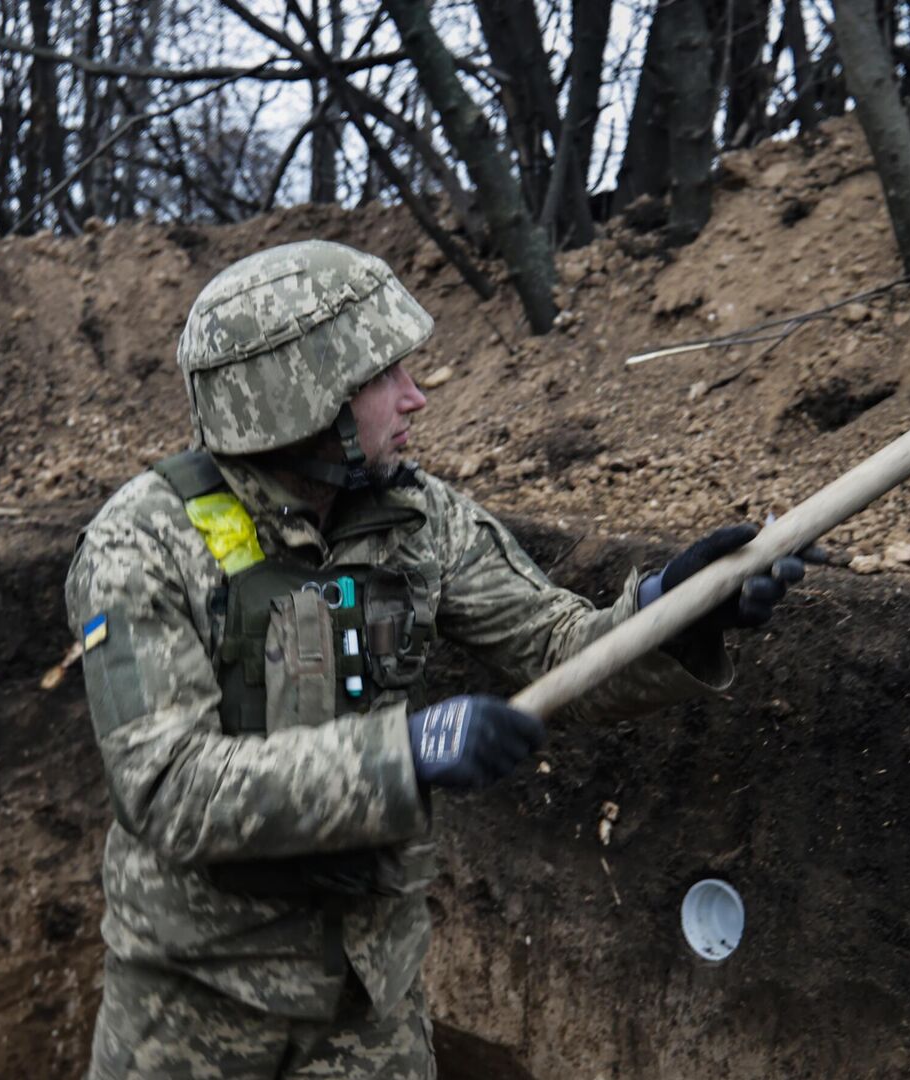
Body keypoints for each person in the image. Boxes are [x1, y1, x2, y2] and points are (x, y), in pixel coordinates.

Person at [65, 240, 804, 1077]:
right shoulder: (142, 545)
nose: (416, 398)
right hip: (191, 1015)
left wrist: (677, 610)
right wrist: (404, 755)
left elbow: (559, 644)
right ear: (302, 397)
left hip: (368, 1007)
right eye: (386, 377)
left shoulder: (418, 519)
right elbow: (169, 789)